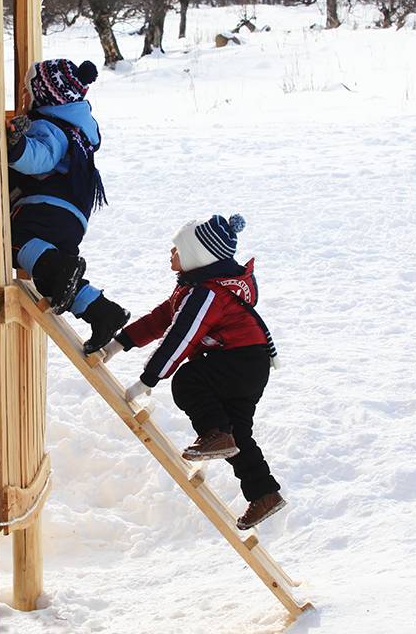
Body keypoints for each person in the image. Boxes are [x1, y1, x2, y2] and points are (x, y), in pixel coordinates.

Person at [98, 213, 286, 529]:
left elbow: (180, 337)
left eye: (177, 249)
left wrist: (148, 380)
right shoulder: (195, 289)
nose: (171, 254)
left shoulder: (207, 294)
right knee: (237, 435)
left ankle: (215, 434)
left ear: (198, 256)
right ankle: (264, 493)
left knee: (188, 379)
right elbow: (162, 320)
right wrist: (119, 344)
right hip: (249, 364)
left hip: (239, 360)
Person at [7, 58, 129, 353]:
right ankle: (103, 313)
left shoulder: (51, 127)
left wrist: (15, 145)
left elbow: (40, 157)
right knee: (55, 282)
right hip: (71, 219)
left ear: (45, 94)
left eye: (28, 92)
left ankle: (64, 266)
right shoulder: (77, 130)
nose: (25, 99)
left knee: (11, 242)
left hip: (46, 208)